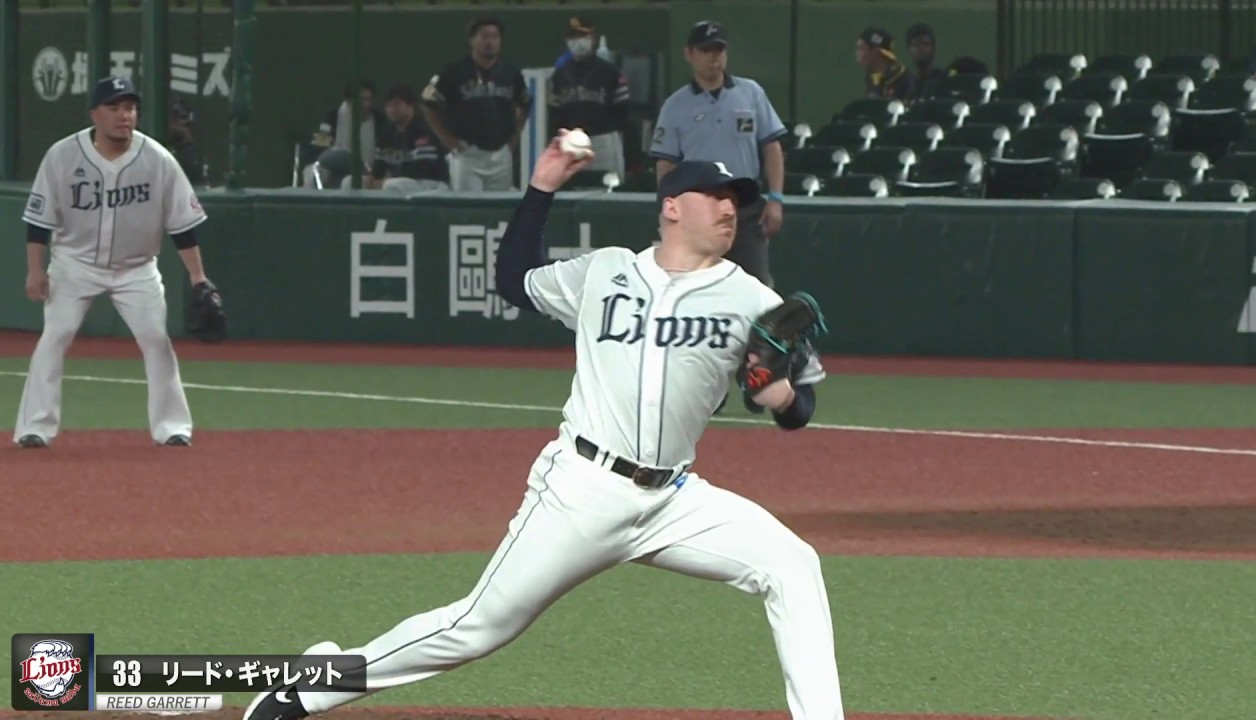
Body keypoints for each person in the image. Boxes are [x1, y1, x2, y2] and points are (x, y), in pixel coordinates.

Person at [239, 130, 844, 720]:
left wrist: (784, 398)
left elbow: (799, 406)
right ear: (671, 207)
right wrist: (541, 188)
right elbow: (513, 280)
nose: (729, 208)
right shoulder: (606, 272)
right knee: (475, 627)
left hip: (673, 500)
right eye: (714, 195)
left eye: (735, 198)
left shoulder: (752, 298)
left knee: (792, 565)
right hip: (582, 490)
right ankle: (310, 690)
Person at [14, 76, 214, 449]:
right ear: (95, 114)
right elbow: (38, 219)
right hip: (74, 263)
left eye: (131, 108)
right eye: (115, 107)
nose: (125, 115)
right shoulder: (62, 155)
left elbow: (183, 226)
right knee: (55, 336)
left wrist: (198, 278)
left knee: (156, 339)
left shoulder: (157, 159)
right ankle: (35, 427)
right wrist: (35, 269)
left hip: (136, 268)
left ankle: (172, 426)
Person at [649, 20, 787, 289]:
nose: (714, 57)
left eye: (719, 50)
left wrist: (776, 199)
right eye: (706, 50)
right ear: (689, 54)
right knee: (695, 285)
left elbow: (772, 147)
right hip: (697, 210)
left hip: (745, 206)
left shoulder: (750, 93)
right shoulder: (675, 105)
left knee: (756, 286)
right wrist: (667, 207)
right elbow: (666, 164)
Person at [422, 17, 531, 191]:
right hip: (467, 153)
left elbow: (525, 104)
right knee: (469, 206)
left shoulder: (511, 73)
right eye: (484, 36)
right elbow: (428, 104)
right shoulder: (454, 72)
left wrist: (514, 139)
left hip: (501, 152)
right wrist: (447, 139)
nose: (490, 42)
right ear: (472, 40)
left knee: (498, 206)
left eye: (495, 36)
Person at [548, 16, 629, 175]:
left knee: (609, 184)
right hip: (571, 142)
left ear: (593, 37)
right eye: (573, 37)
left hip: (603, 139)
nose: (578, 41)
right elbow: (555, 114)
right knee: (574, 186)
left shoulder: (609, 71)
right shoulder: (560, 74)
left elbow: (622, 112)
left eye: (582, 35)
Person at [366, 83, 451, 192]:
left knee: (390, 184)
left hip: (432, 184)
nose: (392, 110)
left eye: (396, 104)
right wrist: (371, 179)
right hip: (402, 183)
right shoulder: (386, 132)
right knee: (352, 182)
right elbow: (378, 168)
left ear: (410, 106)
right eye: (388, 106)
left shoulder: (424, 129)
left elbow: (421, 170)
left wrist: (384, 181)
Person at [857, 27, 910, 99]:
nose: (857, 54)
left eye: (861, 49)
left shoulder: (907, 82)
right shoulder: (871, 81)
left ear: (875, 52)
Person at [903, 23, 947, 103]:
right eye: (915, 45)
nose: (920, 49)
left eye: (925, 44)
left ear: (933, 48)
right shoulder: (906, 85)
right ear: (909, 50)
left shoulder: (944, 81)